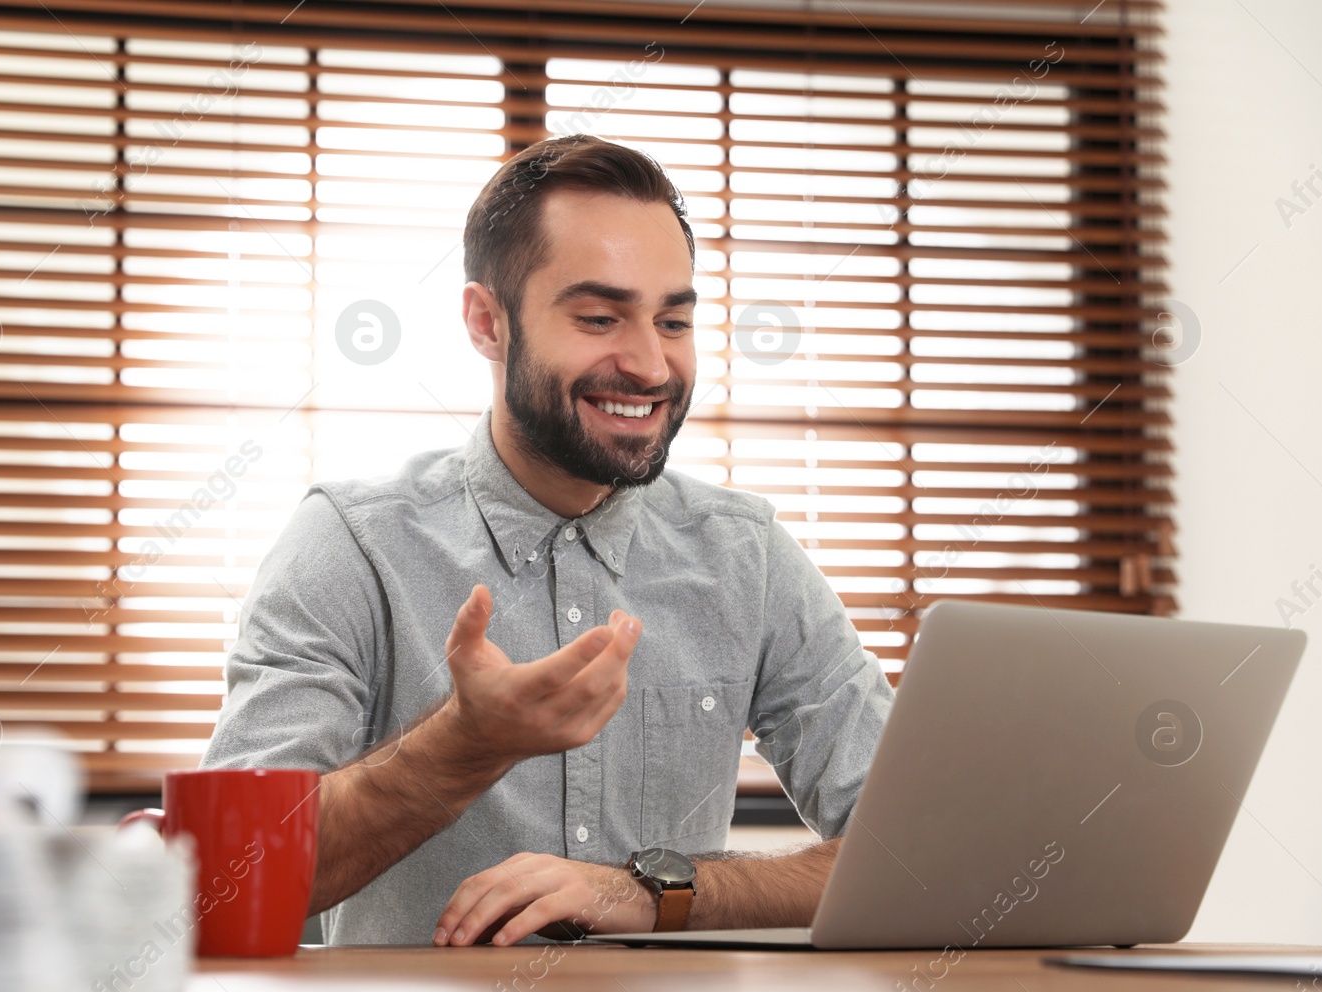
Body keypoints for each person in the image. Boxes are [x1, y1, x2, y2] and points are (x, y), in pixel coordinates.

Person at [202, 134, 893, 946]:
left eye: (673, 319)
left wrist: (661, 891)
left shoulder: (748, 556)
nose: (649, 364)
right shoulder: (350, 545)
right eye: (599, 317)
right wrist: (461, 748)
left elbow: (922, 853)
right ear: (487, 322)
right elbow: (227, 879)